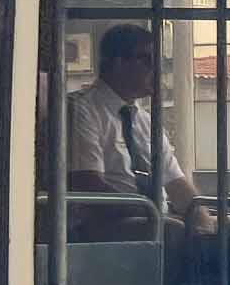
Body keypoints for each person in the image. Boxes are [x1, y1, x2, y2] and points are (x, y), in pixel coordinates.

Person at [68, 23, 212, 232]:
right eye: (146, 60)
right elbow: (87, 184)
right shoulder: (82, 110)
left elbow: (176, 184)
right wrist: (148, 211)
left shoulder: (145, 121)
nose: (156, 70)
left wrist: (204, 223)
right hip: (103, 225)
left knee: (224, 230)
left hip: (151, 220)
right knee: (172, 231)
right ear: (118, 63)